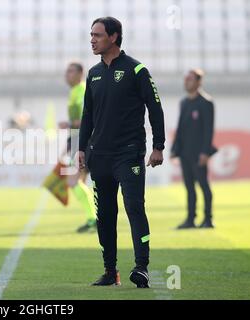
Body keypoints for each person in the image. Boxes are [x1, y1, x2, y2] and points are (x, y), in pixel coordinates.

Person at [77, 17, 165, 288]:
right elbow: (87, 115)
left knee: (134, 208)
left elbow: (155, 108)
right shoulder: (93, 73)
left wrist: (158, 146)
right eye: (91, 35)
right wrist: (81, 149)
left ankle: (141, 268)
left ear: (113, 37)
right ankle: (110, 271)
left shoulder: (137, 70)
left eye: (98, 35)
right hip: (99, 156)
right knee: (105, 214)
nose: (92, 39)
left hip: (129, 153)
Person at [171, 69, 216, 229]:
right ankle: (190, 219)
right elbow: (180, 127)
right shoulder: (184, 102)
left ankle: (208, 219)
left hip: (199, 154)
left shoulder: (206, 102)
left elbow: (209, 130)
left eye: (190, 79)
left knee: (203, 185)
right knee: (189, 187)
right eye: (185, 79)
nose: (186, 82)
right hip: (185, 153)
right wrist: (174, 150)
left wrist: (205, 152)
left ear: (198, 82)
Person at [59, 62, 97, 233]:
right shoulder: (74, 91)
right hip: (77, 140)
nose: (67, 75)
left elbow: (88, 118)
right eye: (66, 71)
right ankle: (93, 219)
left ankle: (94, 219)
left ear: (80, 73)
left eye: (70, 71)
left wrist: (69, 124)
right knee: (77, 181)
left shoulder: (82, 90)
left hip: (85, 141)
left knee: (74, 181)